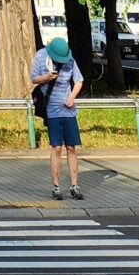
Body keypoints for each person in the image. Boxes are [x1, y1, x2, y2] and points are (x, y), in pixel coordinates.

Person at [42, 34, 85, 199]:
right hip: (52, 111)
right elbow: (36, 80)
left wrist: (71, 97)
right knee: (57, 148)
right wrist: (46, 77)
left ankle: (75, 185)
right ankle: (56, 186)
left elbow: (79, 80)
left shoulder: (71, 61)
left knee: (71, 148)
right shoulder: (45, 62)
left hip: (68, 111)